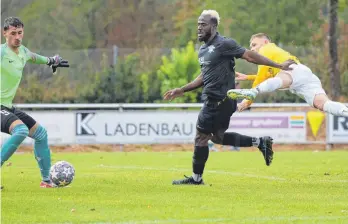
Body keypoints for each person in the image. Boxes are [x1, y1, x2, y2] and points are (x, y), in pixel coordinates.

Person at [163, 10, 296, 185]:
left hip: (217, 100)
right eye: (198, 25)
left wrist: (278, 65)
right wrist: (182, 89)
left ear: (214, 26)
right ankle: (260, 142)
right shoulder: (203, 50)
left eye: (203, 24)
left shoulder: (224, 44)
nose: (199, 28)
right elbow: (204, 77)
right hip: (222, 102)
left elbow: (249, 55)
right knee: (217, 137)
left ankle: (196, 179)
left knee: (201, 137)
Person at [1, 17, 69, 188]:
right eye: (13, 33)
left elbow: (35, 57)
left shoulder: (22, 51)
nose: (17, 37)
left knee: (41, 134)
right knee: (21, 130)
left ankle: (46, 180)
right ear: (4, 34)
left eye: (20, 33)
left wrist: (52, 60)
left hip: (6, 106)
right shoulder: (1, 53)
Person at [227, 33, 348, 116]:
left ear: (265, 41)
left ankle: (253, 92)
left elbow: (262, 77)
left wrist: (247, 101)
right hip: (304, 77)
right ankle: (345, 111)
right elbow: (268, 76)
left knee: (282, 78)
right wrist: (248, 77)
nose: (252, 49)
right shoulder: (272, 54)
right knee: (323, 104)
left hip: (293, 72)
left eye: (254, 45)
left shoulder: (266, 48)